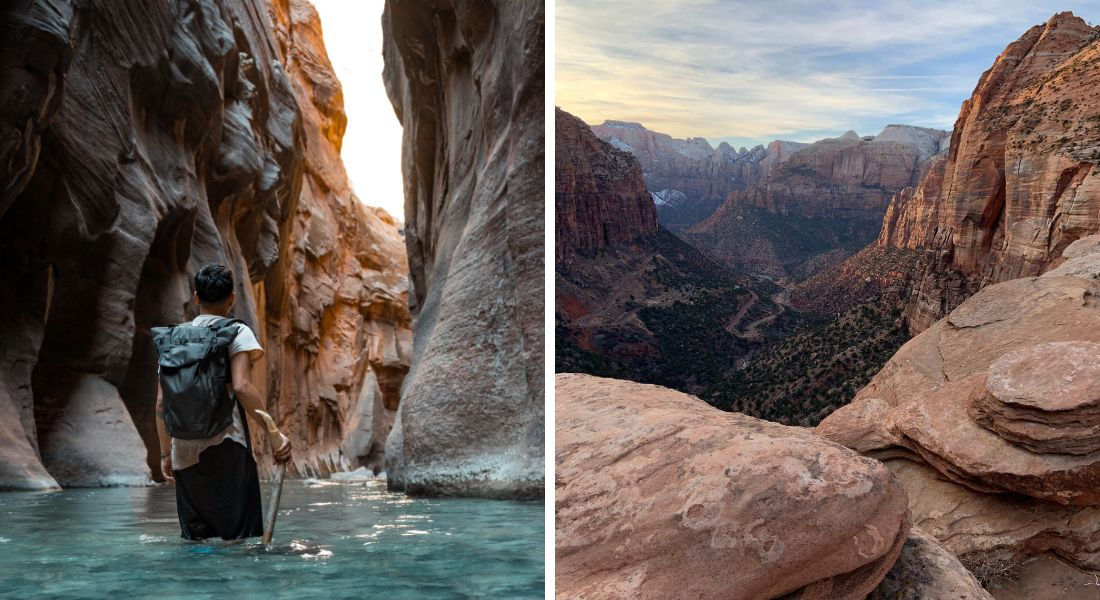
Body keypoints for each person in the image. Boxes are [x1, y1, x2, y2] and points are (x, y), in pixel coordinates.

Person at [154, 264, 291, 541]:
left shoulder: (172, 339)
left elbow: (160, 404)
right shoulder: (236, 331)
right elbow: (241, 386)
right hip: (228, 443)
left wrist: (165, 455)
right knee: (235, 538)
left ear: (196, 297)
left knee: (197, 542)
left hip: (182, 450)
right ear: (231, 298)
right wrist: (274, 434)